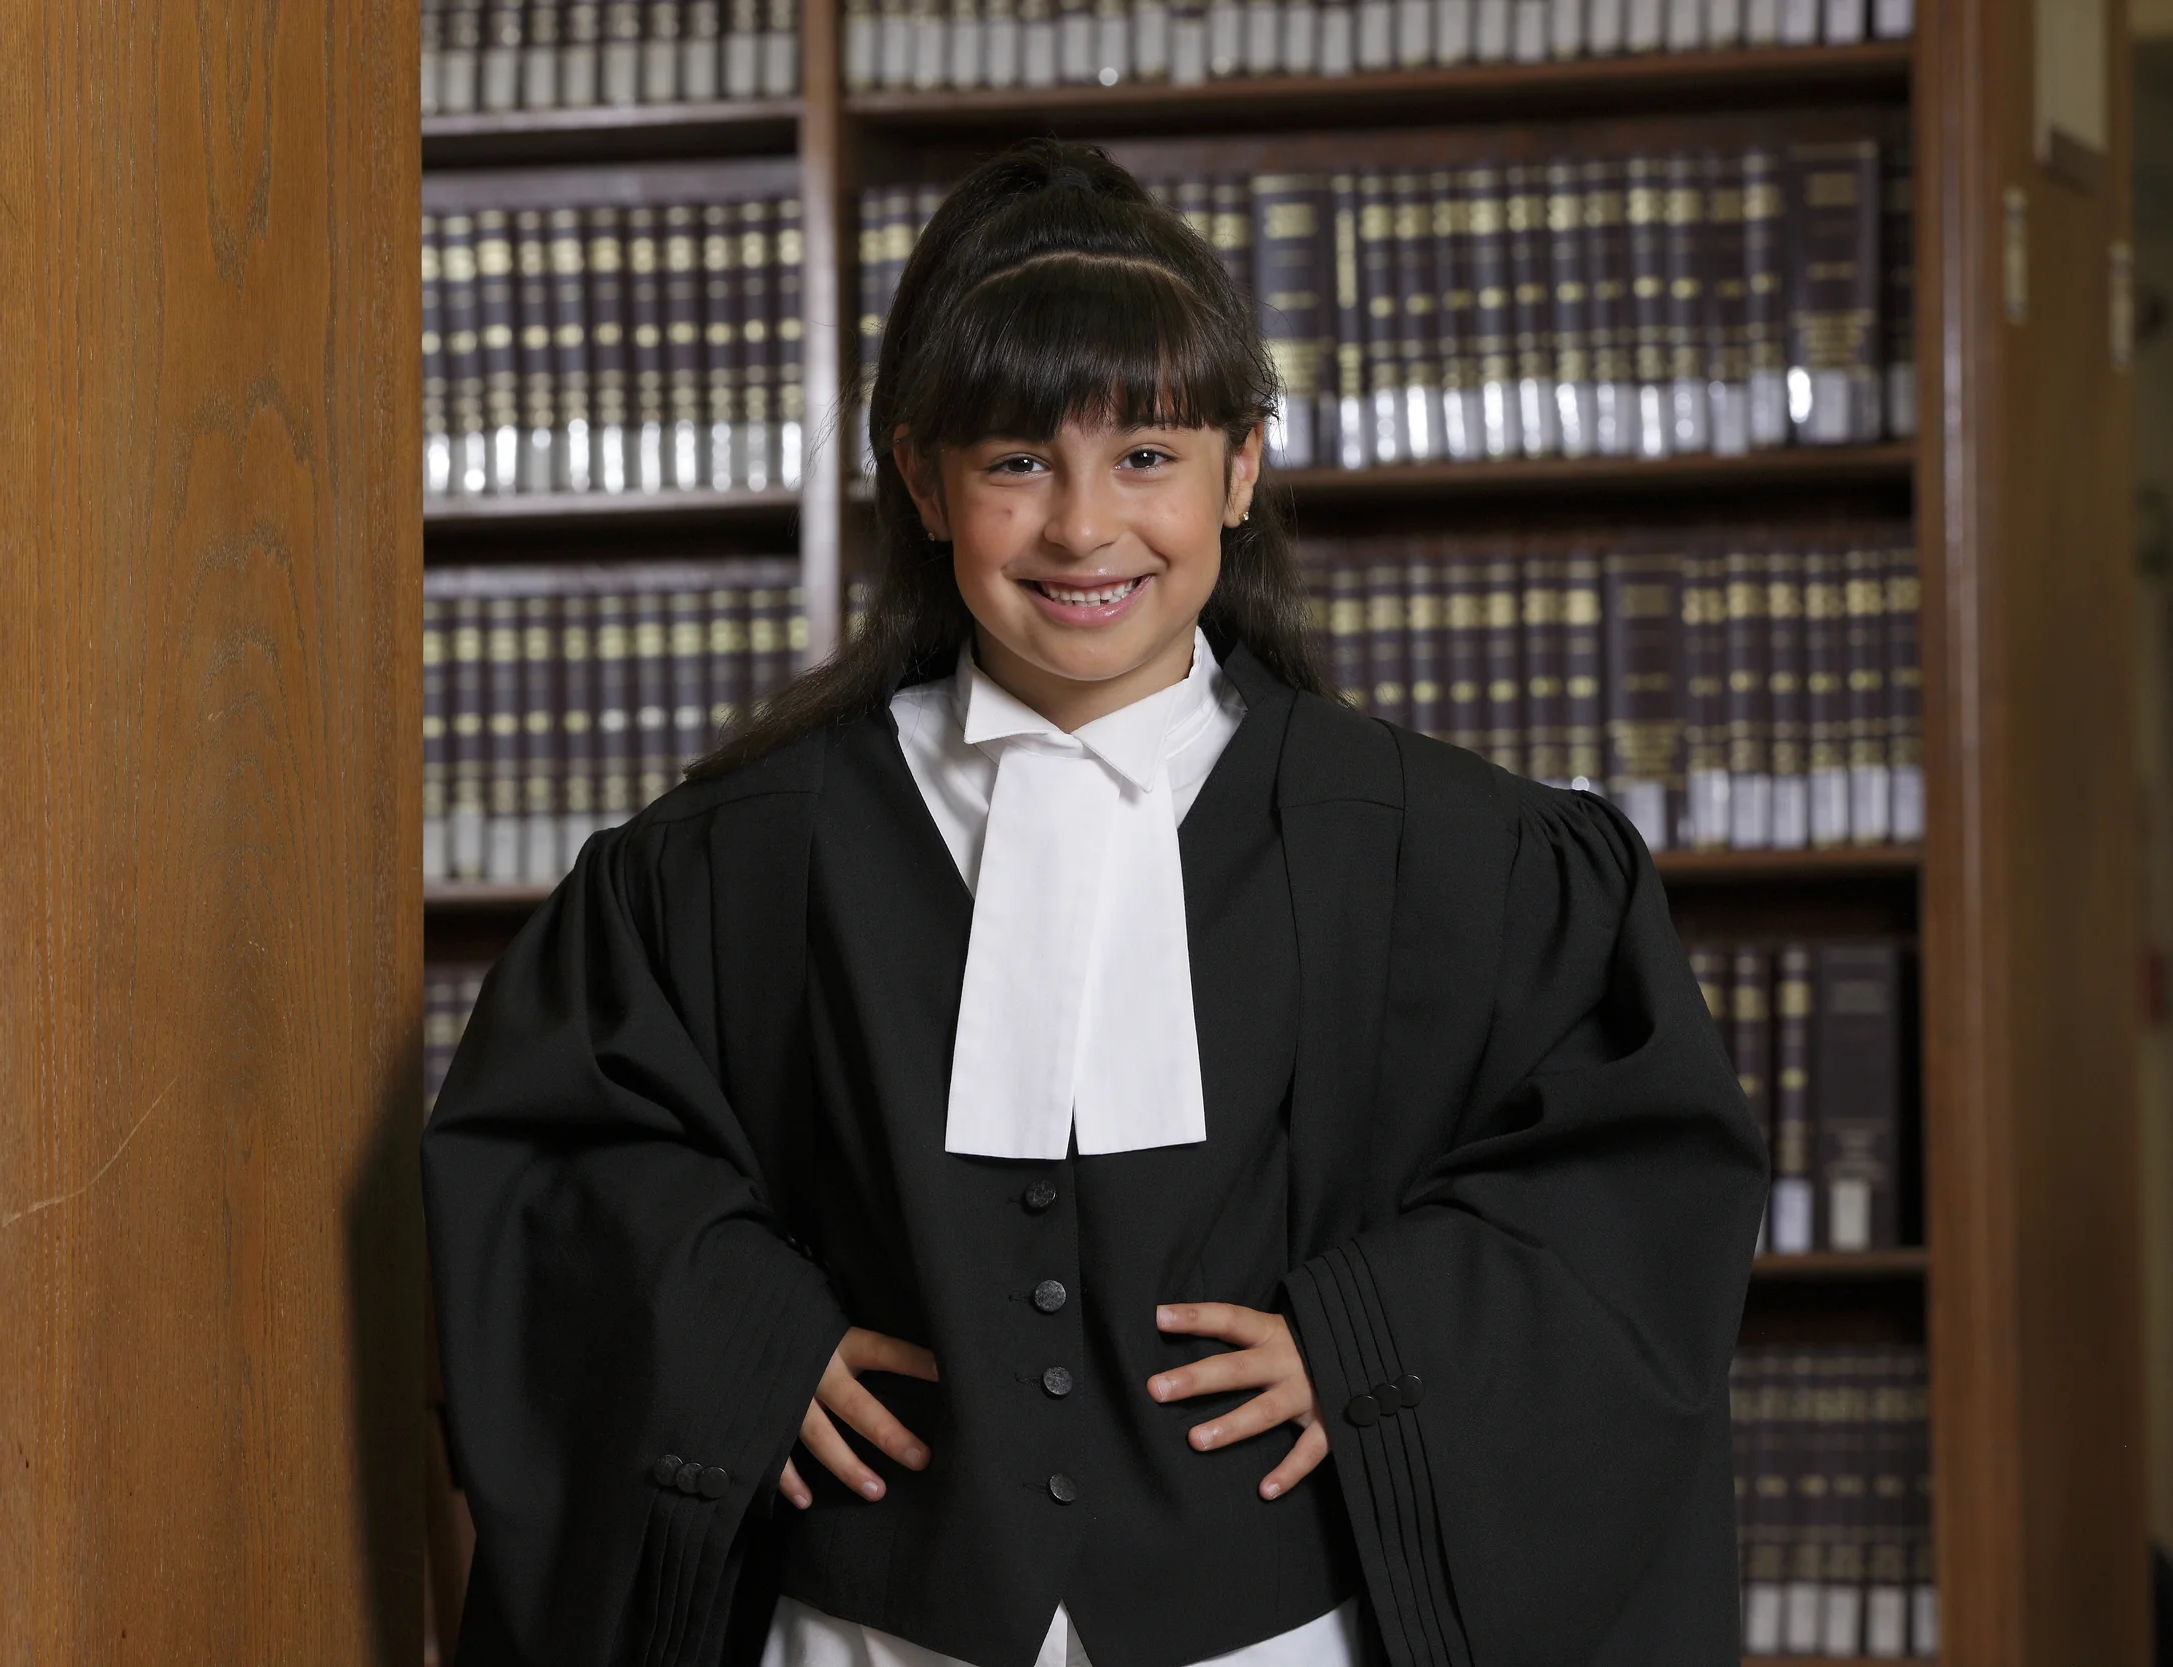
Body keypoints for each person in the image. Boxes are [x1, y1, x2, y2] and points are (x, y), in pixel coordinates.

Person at [423, 138, 1768, 1667]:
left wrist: (1378, 1346)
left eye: (1145, 457)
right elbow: (552, 1175)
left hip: (1285, 1634)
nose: (1081, 530)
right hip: (866, 1635)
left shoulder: (1455, 857)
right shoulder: (733, 864)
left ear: (1240, 470)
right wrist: (737, 1336)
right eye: (1016, 463)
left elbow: (1631, 1192)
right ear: (923, 479)